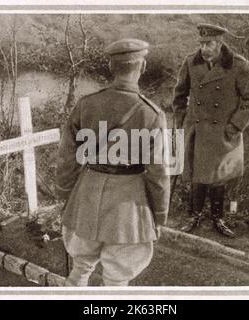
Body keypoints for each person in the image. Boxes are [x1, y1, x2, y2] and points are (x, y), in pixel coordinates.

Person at [55, 39, 170, 286]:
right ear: (143, 67)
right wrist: (159, 215)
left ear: (110, 66)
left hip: (86, 195)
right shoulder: (152, 114)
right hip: (129, 206)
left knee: (80, 268)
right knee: (117, 280)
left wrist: (65, 195)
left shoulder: (86, 104)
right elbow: (158, 173)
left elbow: (67, 157)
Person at [172, 23, 249, 237]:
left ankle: (217, 218)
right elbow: (179, 95)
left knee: (218, 176)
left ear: (220, 43)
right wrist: (182, 120)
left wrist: (235, 126)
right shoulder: (191, 63)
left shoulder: (239, 66)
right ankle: (193, 215)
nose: (204, 48)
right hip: (197, 130)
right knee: (197, 174)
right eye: (201, 43)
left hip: (223, 132)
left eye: (209, 43)